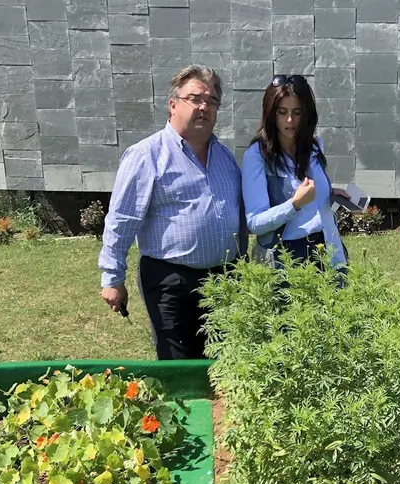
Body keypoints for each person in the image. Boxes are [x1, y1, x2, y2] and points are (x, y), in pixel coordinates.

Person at [98, 65, 247, 360]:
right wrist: (112, 278)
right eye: (195, 99)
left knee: (226, 364)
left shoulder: (224, 157)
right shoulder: (147, 155)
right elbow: (121, 219)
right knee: (179, 365)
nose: (204, 107)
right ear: (173, 104)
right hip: (171, 281)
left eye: (212, 101)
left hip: (224, 280)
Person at [241, 74, 347, 273]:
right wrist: (294, 204)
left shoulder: (315, 146)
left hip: (329, 250)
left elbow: (310, 196)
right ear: (271, 113)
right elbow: (255, 222)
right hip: (287, 258)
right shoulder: (257, 156)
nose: (290, 120)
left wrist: (329, 192)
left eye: (297, 112)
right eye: (282, 112)